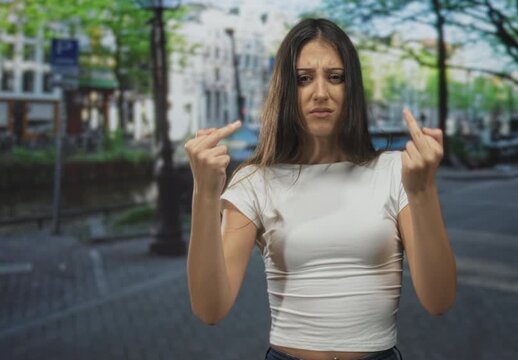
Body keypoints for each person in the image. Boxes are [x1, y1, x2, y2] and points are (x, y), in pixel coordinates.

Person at [184, 18, 457, 360]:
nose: (320, 93)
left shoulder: (393, 171)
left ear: (351, 86)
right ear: (286, 88)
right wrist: (205, 195)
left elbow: (440, 300)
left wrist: (423, 191)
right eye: (303, 79)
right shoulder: (255, 180)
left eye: (335, 77)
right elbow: (211, 310)